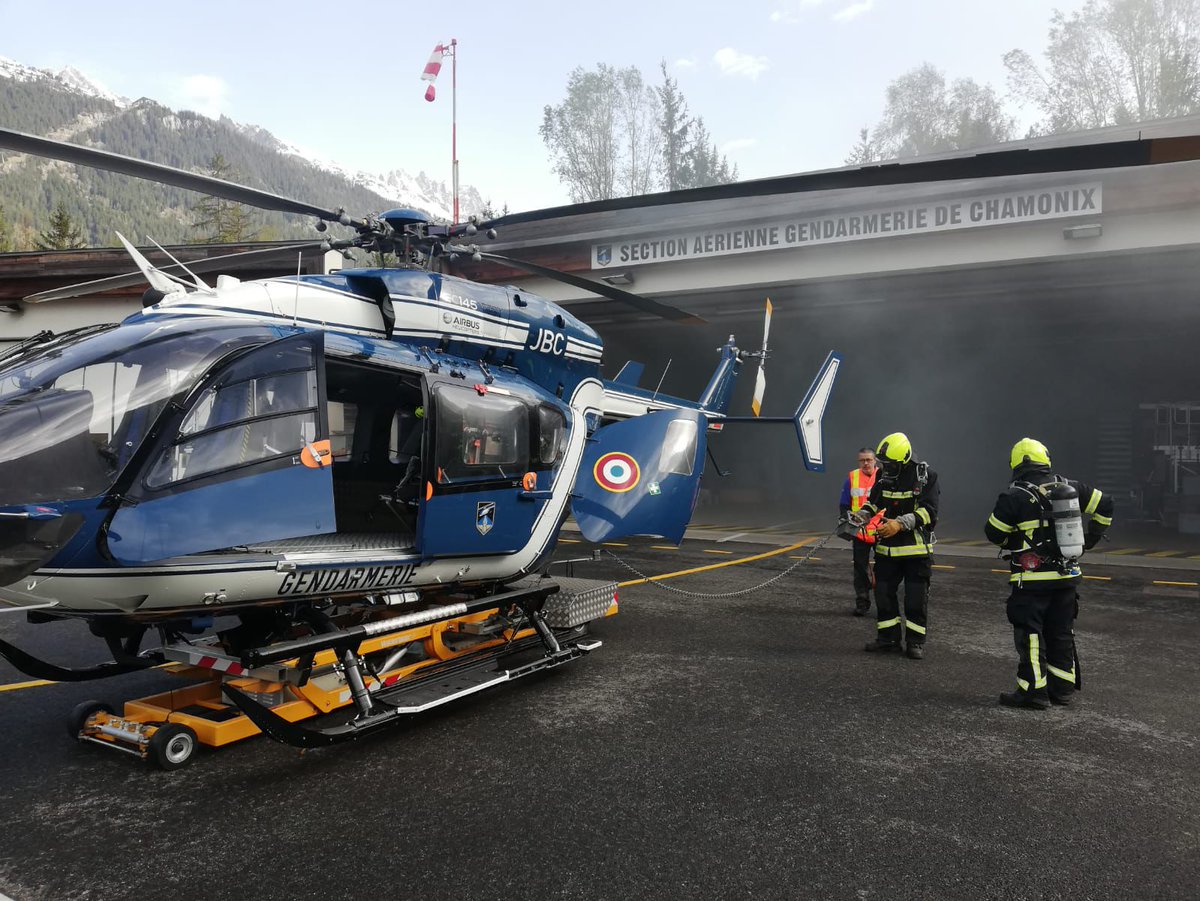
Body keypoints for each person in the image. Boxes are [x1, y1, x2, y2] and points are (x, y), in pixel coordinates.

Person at [984, 438, 1113, 710]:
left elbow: (993, 533)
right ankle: (1062, 690)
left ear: (1017, 464)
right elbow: (1106, 504)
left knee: (1030, 634)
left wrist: (1016, 540)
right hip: (1068, 576)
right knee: (1061, 631)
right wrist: (1092, 538)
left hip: (1032, 580)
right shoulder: (1072, 488)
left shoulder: (1015, 496)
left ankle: (1033, 692)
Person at [855, 432, 939, 660]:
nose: (886, 467)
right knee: (883, 595)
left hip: (916, 551)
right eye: (885, 463)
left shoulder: (925, 476)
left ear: (904, 459)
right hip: (887, 550)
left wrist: (899, 524)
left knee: (915, 599)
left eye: (891, 463)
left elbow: (929, 512)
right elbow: (874, 503)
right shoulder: (884, 476)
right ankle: (888, 640)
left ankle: (915, 642)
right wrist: (861, 516)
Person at [839, 447, 879, 616]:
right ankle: (862, 603)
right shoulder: (852, 477)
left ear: (875, 460)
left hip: (881, 532)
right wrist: (845, 522)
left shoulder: (884, 477)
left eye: (868, 460)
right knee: (860, 570)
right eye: (862, 460)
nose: (865, 463)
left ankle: (885, 605)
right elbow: (844, 504)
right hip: (860, 533)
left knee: (885, 570)